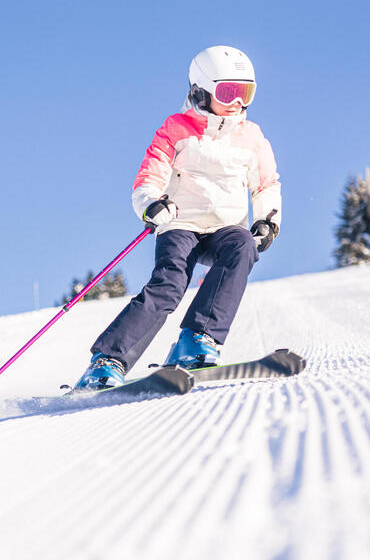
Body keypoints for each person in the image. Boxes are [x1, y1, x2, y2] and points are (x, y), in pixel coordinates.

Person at [75, 45, 282, 390]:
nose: (237, 102)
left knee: (244, 246)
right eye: (228, 92)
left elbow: (266, 184)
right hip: (181, 223)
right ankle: (108, 360)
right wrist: (151, 203)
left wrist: (267, 220)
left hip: (225, 227)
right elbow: (149, 177)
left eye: (246, 93)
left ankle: (197, 339)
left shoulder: (252, 137)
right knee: (169, 285)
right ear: (201, 90)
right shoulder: (175, 129)